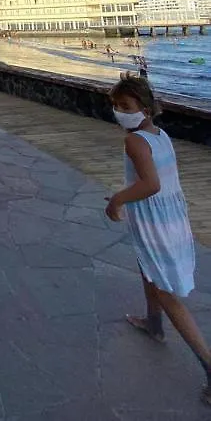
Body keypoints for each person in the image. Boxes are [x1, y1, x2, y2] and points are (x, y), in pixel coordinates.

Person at [105, 74, 211, 404]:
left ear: (146, 109)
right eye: (115, 106)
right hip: (169, 219)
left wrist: (117, 199)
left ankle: (208, 365)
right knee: (146, 267)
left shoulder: (134, 141)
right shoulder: (160, 135)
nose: (119, 112)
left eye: (125, 106)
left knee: (167, 293)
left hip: (156, 224)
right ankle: (153, 324)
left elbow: (151, 184)